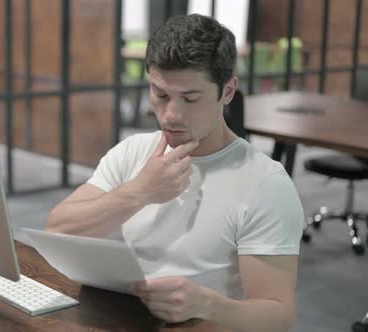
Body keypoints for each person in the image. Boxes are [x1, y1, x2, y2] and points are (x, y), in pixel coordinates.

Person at [46, 14, 303, 332]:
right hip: (123, 320)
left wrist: (206, 303)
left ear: (228, 91)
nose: (171, 115)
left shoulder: (265, 184)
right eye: (161, 95)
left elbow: (278, 315)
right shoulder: (134, 152)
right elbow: (57, 231)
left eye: (190, 98)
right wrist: (140, 191)